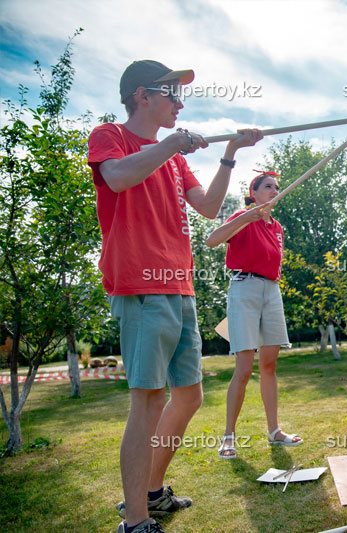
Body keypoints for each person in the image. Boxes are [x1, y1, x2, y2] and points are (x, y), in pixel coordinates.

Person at [88, 59, 263, 533]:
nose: (180, 103)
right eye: (172, 94)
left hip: (178, 284)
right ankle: (136, 521)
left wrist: (228, 153)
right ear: (142, 95)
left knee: (188, 396)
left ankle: (152, 493)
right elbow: (118, 178)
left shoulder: (177, 158)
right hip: (140, 286)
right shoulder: (111, 136)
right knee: (147, 401)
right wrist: (168, 145)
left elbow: (207, 208)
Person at [206, 171, 302, 458]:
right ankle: (228, 436)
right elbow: (212, 240)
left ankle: (274, 431)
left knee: (269, 365)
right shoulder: (242, 216)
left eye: (276, 187)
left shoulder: (278, 227)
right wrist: (245, 218)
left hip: (271, 291)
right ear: (255, 193)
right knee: (244, 367)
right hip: (244, 287)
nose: (274, 191)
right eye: (268, 187)